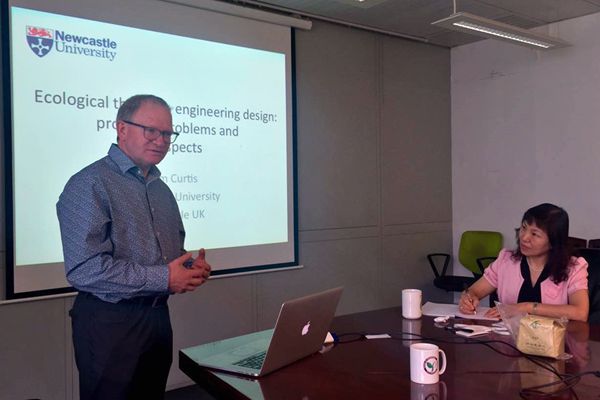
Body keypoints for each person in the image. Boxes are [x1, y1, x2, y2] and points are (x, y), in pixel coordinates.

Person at [56, 94, 211, 400]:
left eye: (167, 133)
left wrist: (189, 268)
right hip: (110, 323)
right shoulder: (89, 183)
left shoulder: (161, 190)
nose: (161, 140)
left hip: (157, 319)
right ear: (122, 128)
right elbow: (84, 269)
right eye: (151, 130)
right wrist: (165, 278)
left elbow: (166, 257)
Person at [458, 203, 589, 321]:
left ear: (553, 241)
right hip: (507, 337)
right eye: (523, 228)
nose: (524, 237)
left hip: (552, 339)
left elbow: (580, 312)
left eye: (535, 234)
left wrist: (525, 307)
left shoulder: (574, 268)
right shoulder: (506, 260)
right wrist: (468, 299)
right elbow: (474, 291)